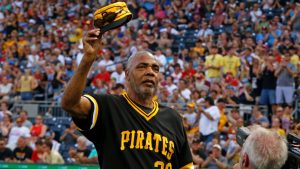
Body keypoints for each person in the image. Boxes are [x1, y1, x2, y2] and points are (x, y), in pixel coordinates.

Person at [61, 28, 194, 169]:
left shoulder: (173, 118)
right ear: (127, 74)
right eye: (142, 67)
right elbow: (70, 104)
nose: (150, 72)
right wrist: (88, 59)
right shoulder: (108, 106)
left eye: (155, 69)